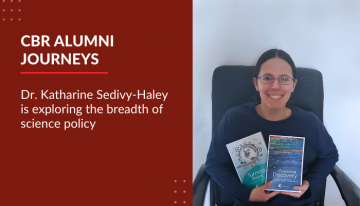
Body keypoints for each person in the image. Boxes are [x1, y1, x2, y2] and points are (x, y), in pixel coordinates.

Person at [205, 49, 339, 206]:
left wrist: (308, 183)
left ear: (293, 85)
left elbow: (330, 155)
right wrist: (247, 194)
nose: (275, 86)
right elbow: (214, 163)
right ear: (256, 83)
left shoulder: (308, 121)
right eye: (267, 78)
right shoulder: (234, 118)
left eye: (284, 79)